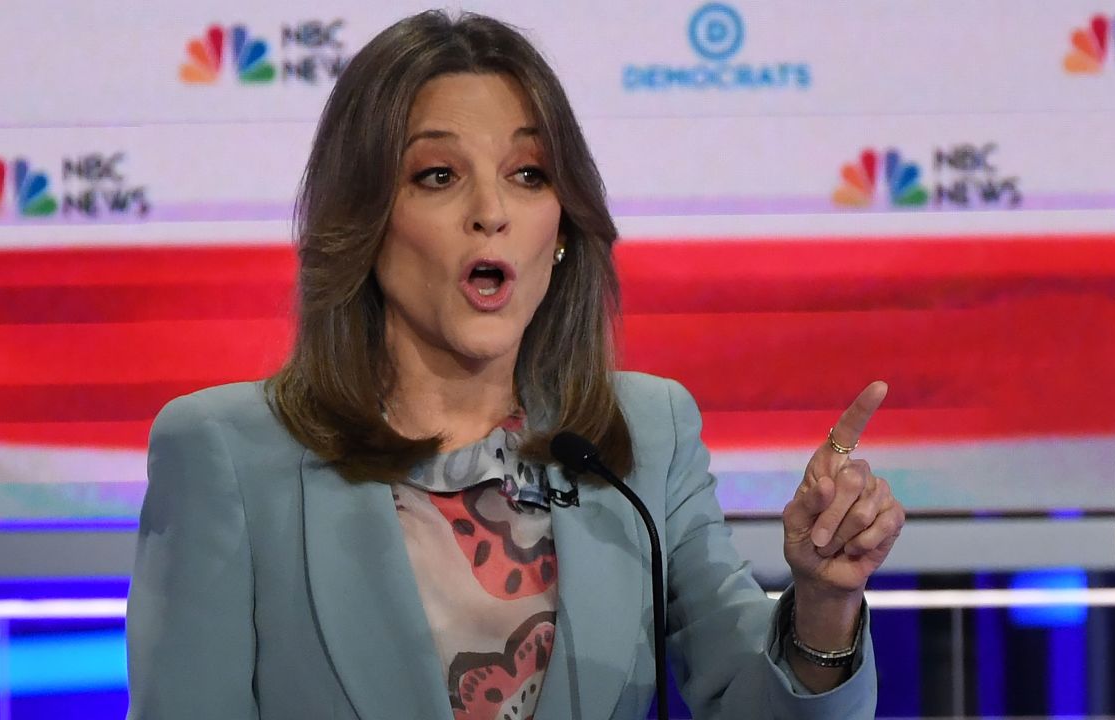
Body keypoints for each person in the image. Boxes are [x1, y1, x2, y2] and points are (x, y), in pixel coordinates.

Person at [125, 10, 905, 720]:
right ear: (363, 220)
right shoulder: (226, 454)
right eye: (438, 175)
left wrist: (823, 604)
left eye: (528, 174)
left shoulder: (644, 434)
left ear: (561, 228)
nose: (491, 211)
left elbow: (754, 702)